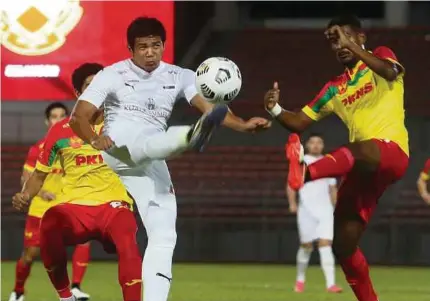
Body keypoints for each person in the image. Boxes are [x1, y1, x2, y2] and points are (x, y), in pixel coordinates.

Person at [68, 17, 271, 301]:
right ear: (131, 49)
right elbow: (78, 116)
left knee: (164, 234)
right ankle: (189, 136)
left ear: (164, 45)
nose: (150, 52)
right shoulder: (111, 75)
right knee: (146, 144)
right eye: (143, 47)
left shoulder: (180, 75)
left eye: (155, 45)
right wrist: (93, 138)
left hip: (153, 160)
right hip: (120, 146)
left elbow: (211, 109)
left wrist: (244, 125)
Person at [264, 15, 408, 301]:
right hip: (363, 170)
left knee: (359, 148)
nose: (339, 43)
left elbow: (391, 73)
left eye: (344, 35)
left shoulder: (380, 56)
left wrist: (354, 48)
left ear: (361, 37)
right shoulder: (334, 88)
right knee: (343, 245)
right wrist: (275, 109)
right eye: (333, 40)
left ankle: (305, 171)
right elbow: (299, 122)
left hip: (391, 152)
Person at [12, 62, 142, 301]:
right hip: (75, 209)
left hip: (113, 206)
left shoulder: (124, 125)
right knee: (49, 222)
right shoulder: (60, 132)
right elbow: (38, 175)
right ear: (78, 94)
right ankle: (66, 296)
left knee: (127, 238)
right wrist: (25, 195)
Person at [9, 103, 90, 301]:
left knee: (85, 238)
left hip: (65, 206)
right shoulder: (38, 148)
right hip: (40, 209)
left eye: (63, 115)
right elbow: (25, 178)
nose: (59, 119)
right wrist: (42, 191)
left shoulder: (75, 145)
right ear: (47, 121)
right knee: (30, 254)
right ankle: (18, 291)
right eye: (54, 116)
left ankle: (76, 287)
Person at [286, 133, 342, 293]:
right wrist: (292, 203)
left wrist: (336, 207)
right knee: (306, 246)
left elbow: (332, 188)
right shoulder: (300, 161)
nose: (316, 145)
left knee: (325, 245)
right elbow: (290, 184)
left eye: (319, 142)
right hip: (306, 210)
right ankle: (300, 280)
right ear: (307, 145)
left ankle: (331, 284)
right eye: (313, 142)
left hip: (325, 210)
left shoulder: (329, 163)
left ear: (323, 145)